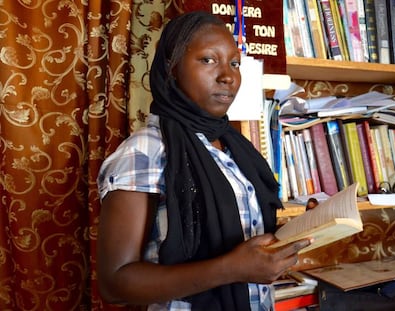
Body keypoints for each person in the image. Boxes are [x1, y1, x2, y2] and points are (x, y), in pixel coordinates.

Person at [96, 11, 312, 311]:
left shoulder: (235, 145)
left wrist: (298, 233)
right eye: (208, 60)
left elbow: (241, 234)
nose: (228, 76)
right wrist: (231, 268)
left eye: (234, 63)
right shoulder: (144, 152)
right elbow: (115, 283)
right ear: (172, 71)